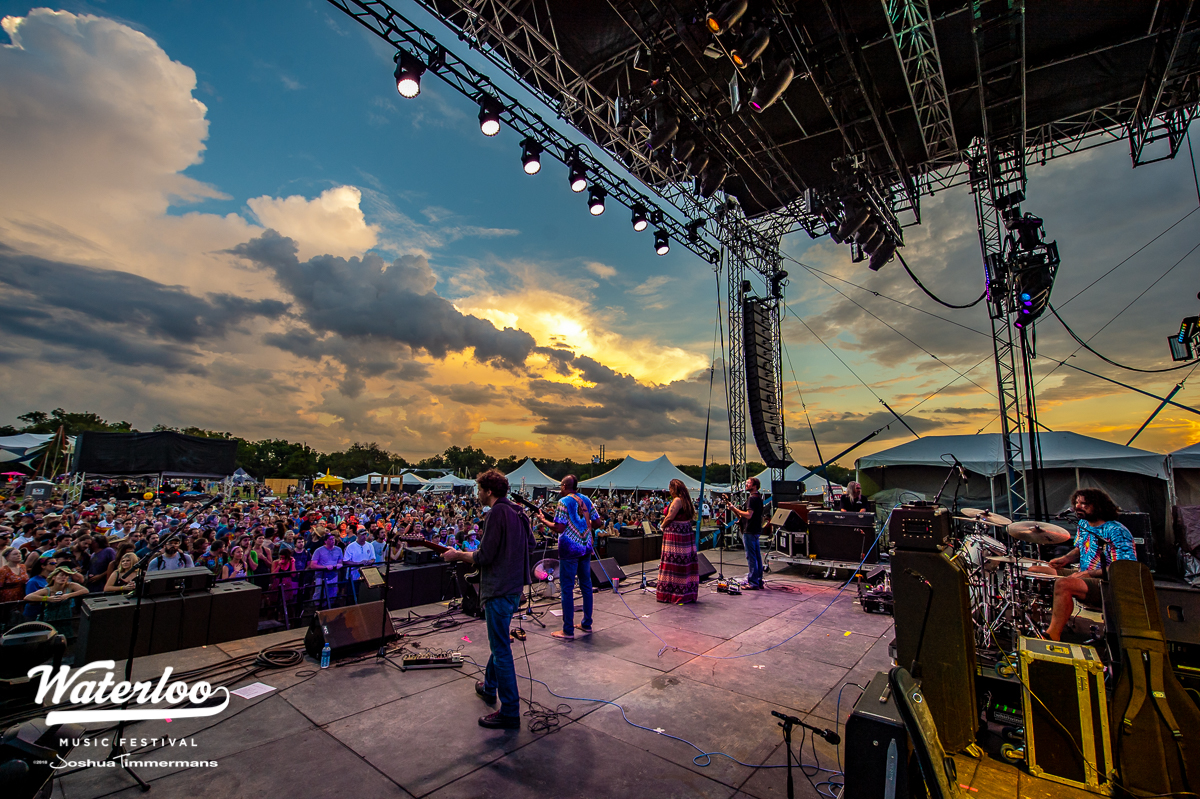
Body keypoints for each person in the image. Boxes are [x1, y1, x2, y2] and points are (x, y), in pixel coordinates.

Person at [441, 469, 535, 730]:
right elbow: (531, 544)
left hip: (498, 589)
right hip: (515, 588)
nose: (478, 493)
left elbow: (484, 556)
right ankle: (489, 687)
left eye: (479, 489)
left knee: (501, 649)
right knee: (500, 641)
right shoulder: (518, 511)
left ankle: (510, 711)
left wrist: (458, 555)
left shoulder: (496, 514)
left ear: (489, 491)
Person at [1029, 488, 1137, 641]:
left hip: (1107, 583)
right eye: (1077, 503)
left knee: (1063, 584)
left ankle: (1052, 635)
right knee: (1036, 571)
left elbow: (1124, 567)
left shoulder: (1116, 530)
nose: (1078, 507)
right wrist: (1065, 559)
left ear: (1098, 507)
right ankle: (1035, 624)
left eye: (1084, 504)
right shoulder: (1083, 525)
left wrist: (1087, 574)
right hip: (1084, 577)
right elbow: (1081, 548)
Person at [536, 475, 601, 641]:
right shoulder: (586, 499)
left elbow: (559, 527)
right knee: (586, 585)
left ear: (565, 486)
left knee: (567, 588)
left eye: (560, 485)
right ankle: (586, 623)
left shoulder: (563, 502)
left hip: (569, 550)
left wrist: (543, 521)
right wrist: (584, 527)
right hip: (585, 547)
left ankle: (568, 630)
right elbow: (599, 522)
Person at [656, 479, 699, 605]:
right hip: (685, 533)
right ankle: (686, 592)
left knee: (672, 562)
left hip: (675, 535)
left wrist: (662, 526)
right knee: (684, 562)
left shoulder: (677, 500)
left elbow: (670, 516)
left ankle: (672, 593)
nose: (669, 491)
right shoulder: (685, 500)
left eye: (670, 488)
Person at [26, 566, 88, 636]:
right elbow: (28, 597)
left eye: (66, 576)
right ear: (54, 577)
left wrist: (68, 595)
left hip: (65, 618)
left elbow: (85, 590)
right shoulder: (47, 590)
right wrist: (47, 598)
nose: (64, 577)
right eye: (61, 575)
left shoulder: (70, 586)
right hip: (50, 618)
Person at [730, 477, 765, 590]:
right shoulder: (759, 497)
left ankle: (753, 582)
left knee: (751, 556)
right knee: (757, 556)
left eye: (749, 483)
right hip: (756, 529)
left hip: (750, 530)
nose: (746, 485)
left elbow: (749, 515)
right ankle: (758, 580)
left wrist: (734, 509)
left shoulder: (751, 499)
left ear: (754, 486)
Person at [309, 533, 343, 607]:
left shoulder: (338, 549)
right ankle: (317, 609)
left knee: (333, 593)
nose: (333, 541)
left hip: (334, 575)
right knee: (319, 593)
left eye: (333, 539)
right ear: (325, 541)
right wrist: (325, 567)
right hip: (321, 576)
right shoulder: (318, 551)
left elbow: (340, 561)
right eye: (330, 539)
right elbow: (312, 565)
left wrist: (339, 565)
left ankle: (330, 608)